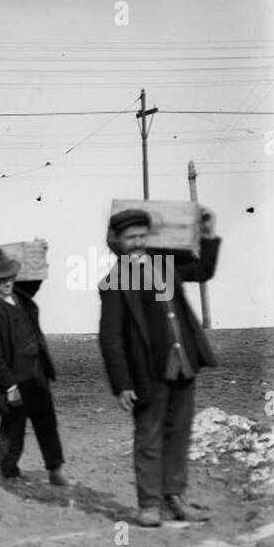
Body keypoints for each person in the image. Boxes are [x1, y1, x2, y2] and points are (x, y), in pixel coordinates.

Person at [98, 207, 220, 526]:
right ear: (117, 241)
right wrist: (122, 383)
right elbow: (110, 338)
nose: (138, 241)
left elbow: (203, 269)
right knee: (149, 436)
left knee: (179, 432)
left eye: (142, 235)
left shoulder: (166, 264)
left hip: (183, 363)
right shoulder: (115, 280)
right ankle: (149, 504)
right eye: (130, 237)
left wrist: (206, 234)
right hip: (146, 373)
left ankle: (175, 498)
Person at [0, 247, 66, 486]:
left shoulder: (19, 295)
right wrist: (9, 386)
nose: (6, 282)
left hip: (37, 371)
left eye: (10, 277)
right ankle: (9, 471)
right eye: (0, 278)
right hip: (13, 376)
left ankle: (55, 469)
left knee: (47, 421)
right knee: (13, 426)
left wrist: (37, 254)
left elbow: (35, 280)